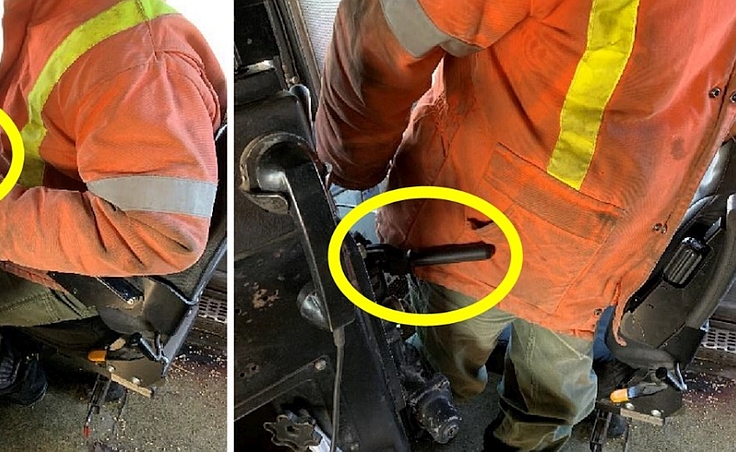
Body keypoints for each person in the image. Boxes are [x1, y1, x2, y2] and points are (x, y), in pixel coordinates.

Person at [314, 0, 736, 450]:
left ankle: (433, 411)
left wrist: (349, 160)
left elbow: (382, 37)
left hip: (491, 228)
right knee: (544, 395)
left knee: (448, 360)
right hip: (562, 244)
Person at [0, 0, 225, 405]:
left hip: (91, 265)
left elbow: (161, 235)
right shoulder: (54, 12)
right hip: (40, 197)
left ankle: (10, 375)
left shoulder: (141, 67)